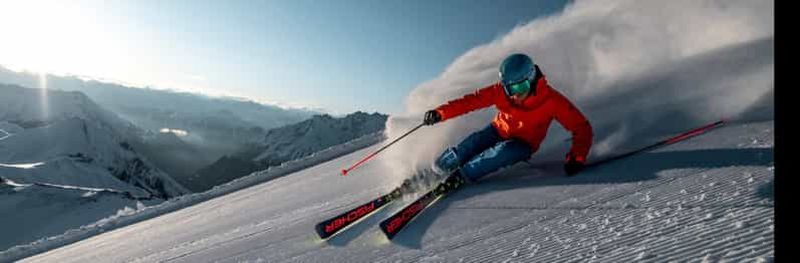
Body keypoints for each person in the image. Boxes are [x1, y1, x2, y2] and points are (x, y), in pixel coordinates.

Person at [422, 53, 593, 188]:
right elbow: (470, 102)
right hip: (499, 129)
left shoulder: (552, 100)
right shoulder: (501, 92)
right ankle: (437, 170)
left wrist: (577, 157)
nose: (515, 94)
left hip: (524, 143)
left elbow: (581, 127)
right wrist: (440, 113)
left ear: (532, 79)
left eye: (520, 87)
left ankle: (459, 177)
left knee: (499, 153)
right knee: (471, 144)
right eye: (510, 88)